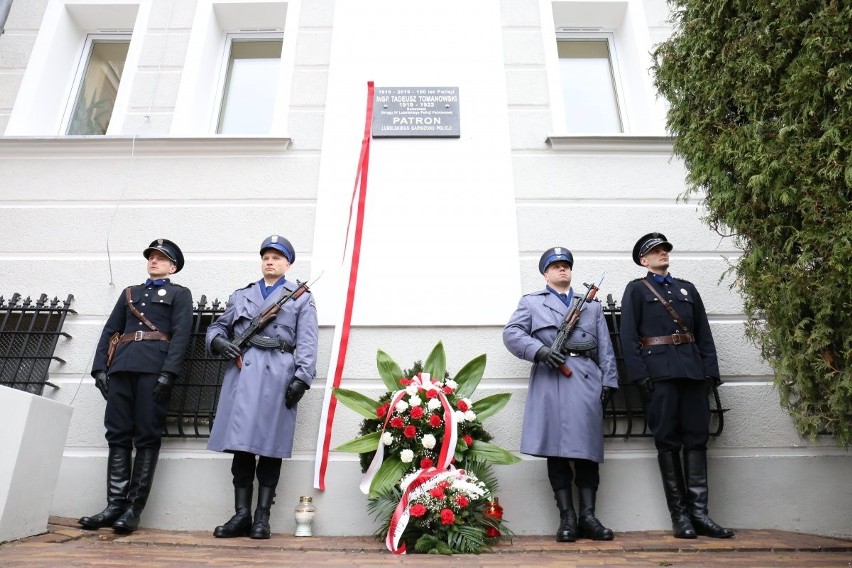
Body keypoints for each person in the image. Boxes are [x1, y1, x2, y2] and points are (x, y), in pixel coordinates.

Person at [619, 232, 734, 539]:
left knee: (697, 439)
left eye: (665, 249)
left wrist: (710, 373)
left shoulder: (688, 289)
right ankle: (680, 516)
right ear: (643, 260)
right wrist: (641, 377)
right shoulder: (636, 290)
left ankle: (700, 515)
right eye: (656, 251)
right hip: (660, 376)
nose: (663, 253)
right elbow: (629, 339)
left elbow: (704, 334)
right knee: (668, 442)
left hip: (693, 373)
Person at [503, 247, 619, 543]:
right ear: (545, 273)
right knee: (555, 450)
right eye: (555, 266)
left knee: (587, 451)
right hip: (551, 378)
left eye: (566, 265)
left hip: (584, 379)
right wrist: (539, 351)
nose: (562, 269)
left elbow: (605, 347)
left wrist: (608, 382)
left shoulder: (590, 307)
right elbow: (512, 333)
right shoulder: (531, 303)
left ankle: (588, 517)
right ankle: (567, 517)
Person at [207, 234, 318, 539]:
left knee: (270, 447)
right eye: (266, 257)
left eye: (277, 257)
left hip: (277, 373)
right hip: (243, 372)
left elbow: (307, 341)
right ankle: (241, 515)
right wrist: (219, 342)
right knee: (241, 448)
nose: (270, 262)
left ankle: (262, 518)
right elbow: (218, 325)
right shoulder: (242, 295)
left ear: (288, 263)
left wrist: (302, 377)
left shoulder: (300, 296)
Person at [80, 239, 193, 533]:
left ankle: (133, 509)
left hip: (153, 370)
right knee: (117, 435)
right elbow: (111, 330)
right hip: (122, 369)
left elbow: (181, 336)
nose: (154, 261)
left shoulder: (180, 294)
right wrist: (99, 369)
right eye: (151, 257)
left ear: (173, 266)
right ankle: (114, 505)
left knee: (146, 436)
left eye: (161, 258)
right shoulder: (130, 293)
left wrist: (169, 373)